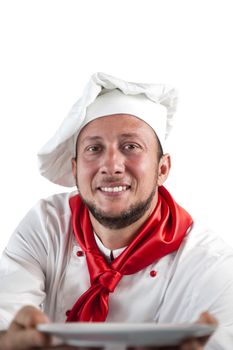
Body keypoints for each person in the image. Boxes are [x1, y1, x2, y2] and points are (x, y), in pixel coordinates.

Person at [0, 72, 232, 350]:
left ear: (162, 169)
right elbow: (6, 321)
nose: (111, 166)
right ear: (75, 169)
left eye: (130, 146)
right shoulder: (46, 225)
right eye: (94, 148)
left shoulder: (210, 265)